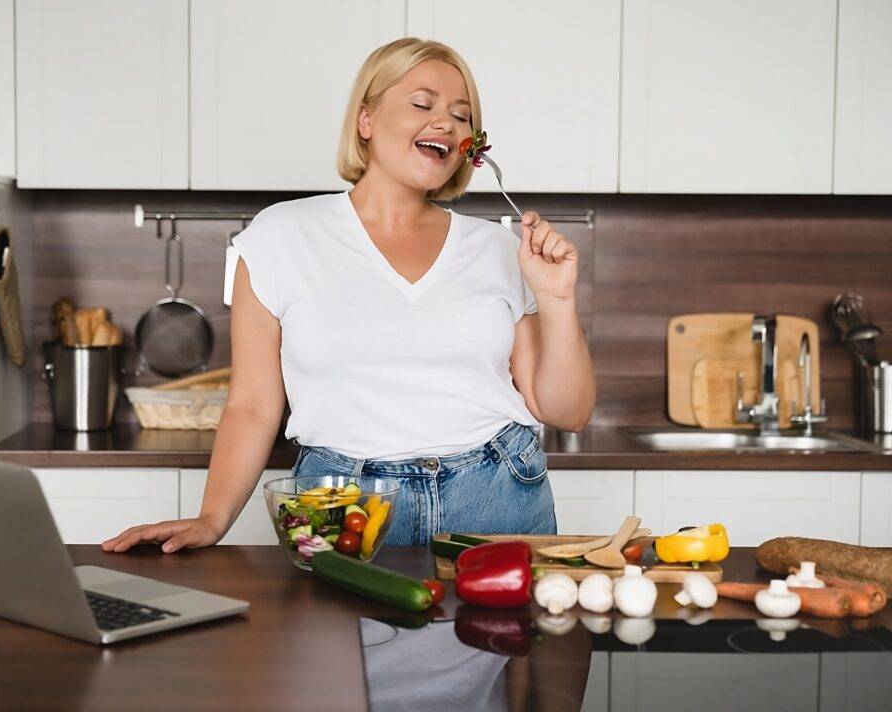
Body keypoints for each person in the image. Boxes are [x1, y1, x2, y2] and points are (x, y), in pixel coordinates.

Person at [102, 37, 595, 554]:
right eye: (422, 104)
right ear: (366, 119)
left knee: (498, 638)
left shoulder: (500, 247)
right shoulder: (279, 237)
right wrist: (212, 519)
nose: (447, 123)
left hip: (496, 498)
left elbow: (567, 412)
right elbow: (252, 405)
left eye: (462, 115)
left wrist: (557, 301)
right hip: (341, 503)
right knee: (337, 636)